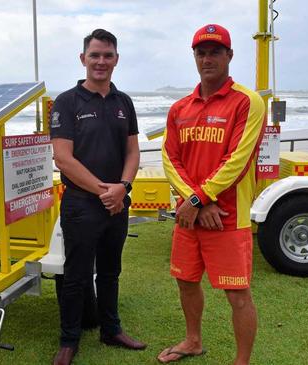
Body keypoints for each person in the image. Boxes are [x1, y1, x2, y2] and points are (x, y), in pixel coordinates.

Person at [157, 24, 266, 365]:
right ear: (194, 57)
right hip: (192, 215)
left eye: (215, 52)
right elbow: (169, 159)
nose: (207, 58)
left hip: (228, 218)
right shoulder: (179, 109)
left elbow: (238, 160)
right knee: (186, 283)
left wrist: (196, 199)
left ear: (230, 55)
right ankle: (193, 341)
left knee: (237, 294)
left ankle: (242, 361)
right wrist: (196, 201)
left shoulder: (248, 102)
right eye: (201, 53)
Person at [49, 28, 145, 365]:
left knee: (109, 271)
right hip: (81, 204)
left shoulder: (124, 103)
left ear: (116, 59)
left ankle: (111, 329)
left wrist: (122, 187)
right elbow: (63, 158)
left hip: (117, 201)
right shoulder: (66, 102)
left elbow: (133, 151)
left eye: (107, 55)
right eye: (95, 55)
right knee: (75, 274)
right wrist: (105, 191)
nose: (101, 62)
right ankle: (68, 340)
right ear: (83, 59)